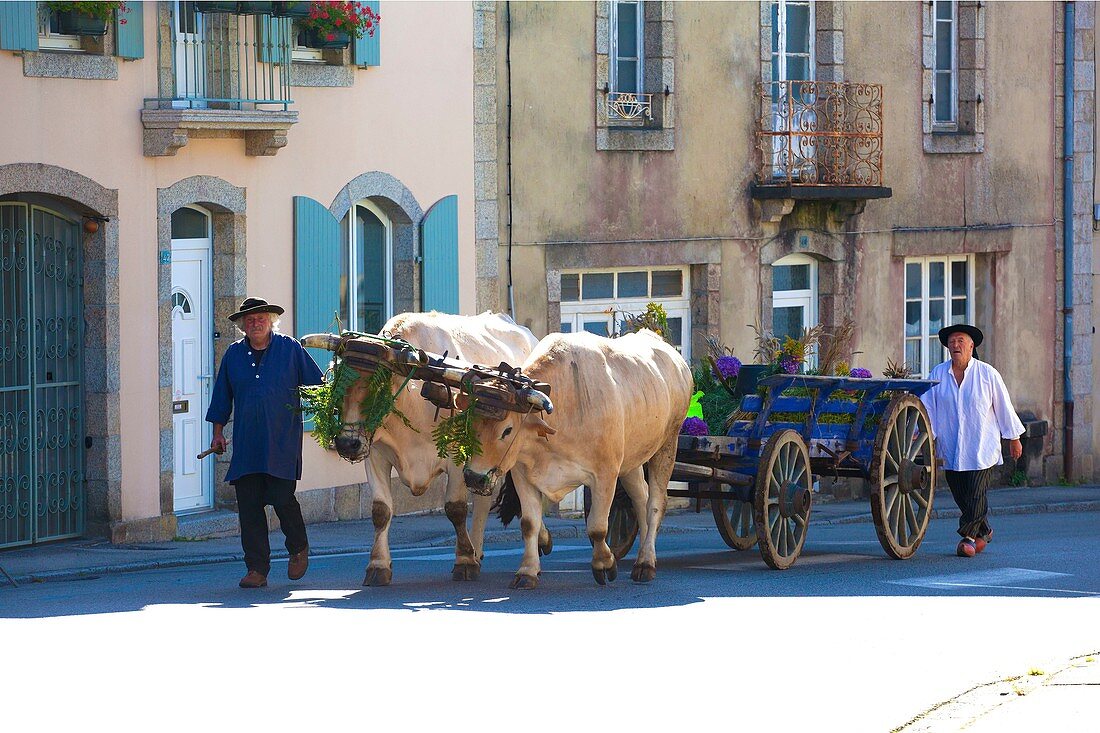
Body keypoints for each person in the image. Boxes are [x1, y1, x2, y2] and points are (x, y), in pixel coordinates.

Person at [206, 297, 324, 588]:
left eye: (261, 318)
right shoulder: (234, 355)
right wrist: (218, 433)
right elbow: (222, 397)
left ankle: (298, 548)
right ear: (242, 326)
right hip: (247, 445)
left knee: (283, 498)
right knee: (249, 507)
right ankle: (257, 569)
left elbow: (318, 387)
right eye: (249, 320)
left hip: (281, 442)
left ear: (271, 321)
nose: (255, 323)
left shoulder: (290, 349)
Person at [920, 324, 1024, 558]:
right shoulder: (938, 374)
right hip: (952, 446)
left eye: (960, 341)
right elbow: (929, 406)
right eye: (951, 342)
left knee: (976, 492)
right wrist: (926, 434)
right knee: (960, 493)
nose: (955, 345)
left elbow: (1003, 407)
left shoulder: (988, 374)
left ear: (971, 345)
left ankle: (968, 538)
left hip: (981, 445)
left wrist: (1014, 438)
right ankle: (984, 531)